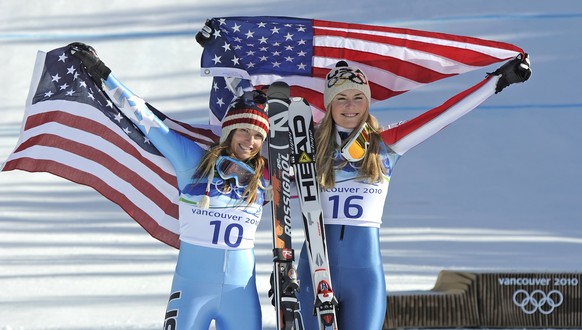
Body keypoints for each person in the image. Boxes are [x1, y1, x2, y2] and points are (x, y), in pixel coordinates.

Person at [296, 57, 531, 329]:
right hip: (313, 270)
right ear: (329, 103)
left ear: (368, 101)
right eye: (341, 98)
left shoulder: (386, 144)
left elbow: (444, 114)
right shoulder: (305, 146)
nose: (351, 106)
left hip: (363, 276)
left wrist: (496, 82)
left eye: (358, 97)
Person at [69, 42, 270, 330]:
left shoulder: (265, 178)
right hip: (192, 291)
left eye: (258, 136)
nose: (250, 142)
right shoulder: (194, 161)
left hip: (241, 294)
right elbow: (146, 118)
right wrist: (104, 75)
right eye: (243, 131)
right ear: (229, 131)